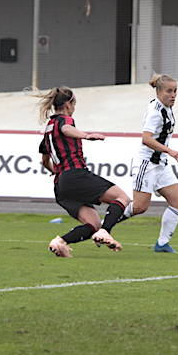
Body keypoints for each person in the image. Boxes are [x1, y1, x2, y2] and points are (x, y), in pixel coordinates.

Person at [35, 86, 130, 257]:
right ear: (68, 104)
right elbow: (66, 129)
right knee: (122, 198)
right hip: (76, 175)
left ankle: (60, 242)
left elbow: (44, 161)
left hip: (61, 185)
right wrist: (86, 135)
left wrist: (56, 172)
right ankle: (105, 231)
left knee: (93, 224)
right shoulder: (65, 120)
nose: (74, 108)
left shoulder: (48, 130)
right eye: (74, 104)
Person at [119, 73, 178, 253]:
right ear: (158, 92)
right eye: (169, 91)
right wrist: (170, 151)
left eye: (175, 91)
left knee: (177, 201)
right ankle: (101, 226)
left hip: (160, 164)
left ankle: (162, 244)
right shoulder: (155, 113)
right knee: (139, 207)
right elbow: (146, 139)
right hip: (147, 164)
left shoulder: (166, 107)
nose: (173, 95)